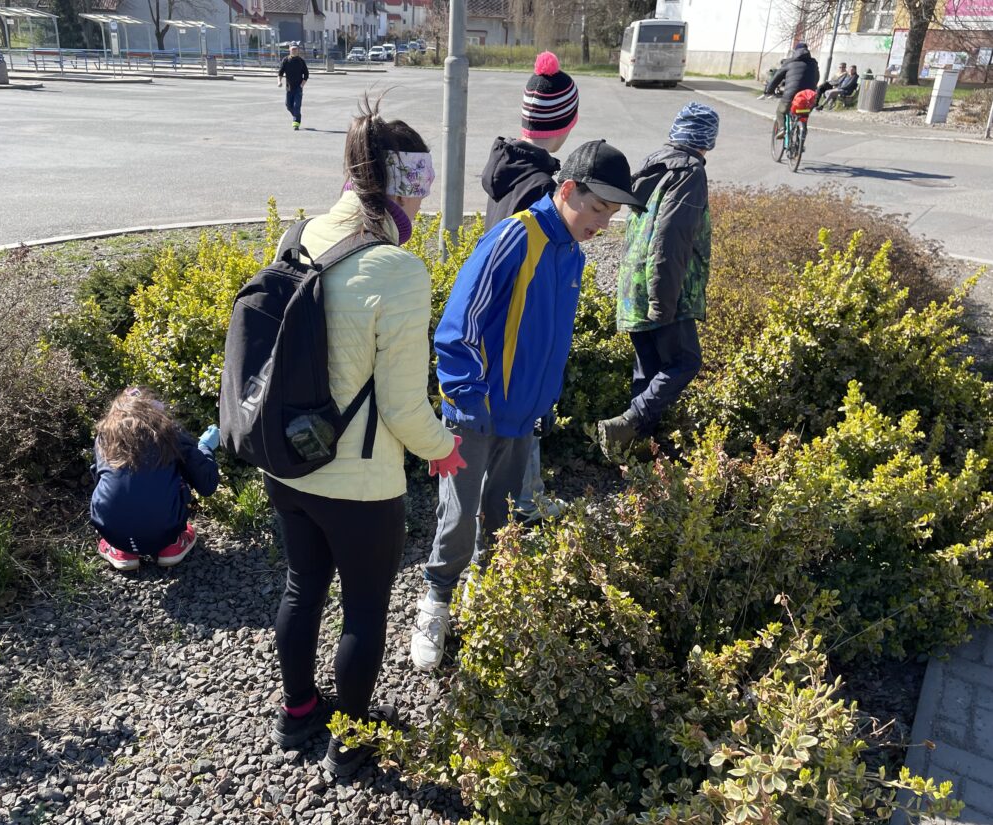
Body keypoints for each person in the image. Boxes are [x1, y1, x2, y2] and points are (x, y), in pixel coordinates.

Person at [264, 97, 464, 777]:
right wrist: (444, 449)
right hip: (359, 484)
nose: (423, 205)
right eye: (422, 189)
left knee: (302, 587)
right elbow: (405, 408)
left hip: (288, 464)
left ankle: (297, 713)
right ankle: (347, 743)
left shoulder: (299, 236)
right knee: (364, 611)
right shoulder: (398, 271)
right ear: (404, 186)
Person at [411, 139, 644, 672]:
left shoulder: (571, 253)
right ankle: (436, 600)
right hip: (475, 412)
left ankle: (485, 590)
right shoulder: (516, 236)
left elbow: (550, 338)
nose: (602, 223)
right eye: (597, 208)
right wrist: (467, 401)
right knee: (458, 515)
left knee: (501, 512)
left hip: (521, 414)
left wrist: (543, 400)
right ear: (568, 190)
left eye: (611, 214)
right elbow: (459, 327)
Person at [479, 50, 580, 523]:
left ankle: (521, 494)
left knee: (509, 415)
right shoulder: (541, 188)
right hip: (521, 316)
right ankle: (523, 500)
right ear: (568, 122)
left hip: (498, 310)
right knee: (525, 408)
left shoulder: (508, 169)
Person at [597, 103, 719, 459]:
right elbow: (671, 240)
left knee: (648, 372)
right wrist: (662, 303)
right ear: (707, 140)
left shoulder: (655, 165)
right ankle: (629, 423)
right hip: (664, 290)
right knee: (685, 362)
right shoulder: (689, 173)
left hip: (634, 288)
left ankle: (633, 453)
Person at [90, 387, 220, 570]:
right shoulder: (170, 433)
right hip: (166, 529)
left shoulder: (104, 437)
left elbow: (101, 481)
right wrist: (205, 447)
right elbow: (207, 485)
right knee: (174, 479)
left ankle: (122, 550)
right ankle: (172, 544)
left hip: (112, 531)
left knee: (110, 484)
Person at [763, 41, 820, 132]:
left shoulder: (789, 62)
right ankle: (802, 132)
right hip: (808, 96)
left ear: (795, 51)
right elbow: (817, 78)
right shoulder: (813, 63)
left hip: (791, 94)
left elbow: (777, 77)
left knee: (780, 111)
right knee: (804, 113)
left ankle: (782, 129)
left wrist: (769, 90)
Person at [278, 43, 309, 130]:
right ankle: (297, 115)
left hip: (298, 88)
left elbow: (306, 74)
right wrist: (279, 81)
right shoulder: (286, 60)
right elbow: (280, 73)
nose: (294, 51)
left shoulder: (301, 61)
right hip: (289, 87)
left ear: (298, 50)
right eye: (293, 49)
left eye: (295, 49)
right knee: (288, 106)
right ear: (289, 50)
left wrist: (302, 85)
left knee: (296, 106)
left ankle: (296, 123)